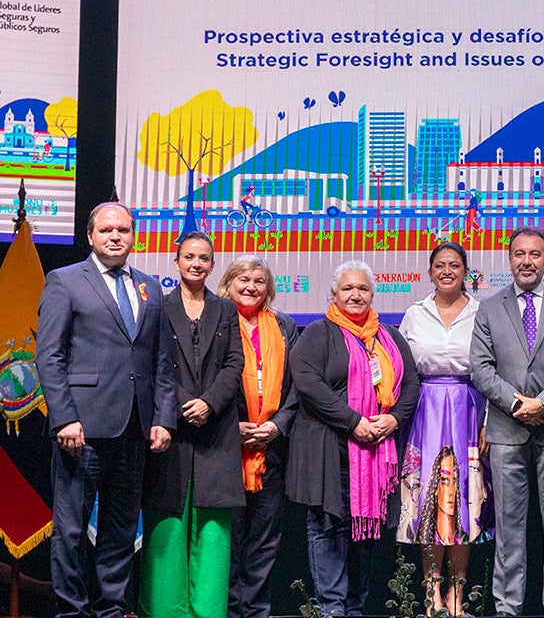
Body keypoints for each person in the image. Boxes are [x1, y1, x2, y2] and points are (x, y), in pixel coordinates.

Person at [36, 202, 175, 618]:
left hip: (135, 429)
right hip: (81, 429)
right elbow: (50, 356)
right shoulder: (64, 281)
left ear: (134, 236)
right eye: (107, 230)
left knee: (118, 529)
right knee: (72, 531)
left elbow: (160, 362)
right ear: (91, 236)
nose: (116, 237)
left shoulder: (151, 288)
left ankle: (110, 609)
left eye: (124, 230)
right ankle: (72, 611)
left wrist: (164, 418)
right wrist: (63, 417)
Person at [287, 260, 420, 614]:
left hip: (376, 454)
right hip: (328, 449)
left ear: (373, 294)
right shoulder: (318, 333)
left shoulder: (389, 337)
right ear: (333, 294)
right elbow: (308, 383)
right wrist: (353, 421)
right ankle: (332, 609)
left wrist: (392, 419)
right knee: (329, 529)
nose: (355, 295)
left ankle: (355, 608)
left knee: (366, 535)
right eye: (348, 289)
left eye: (362, 288)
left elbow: (410, 384)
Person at [470, 226, 544, 617]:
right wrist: (519, 404)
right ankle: (508, 607)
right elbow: (481, 370)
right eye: (519, 254)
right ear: (509, 259)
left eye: (535, 254)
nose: (527, 261)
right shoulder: (489, 307)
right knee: (508, 525)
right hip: (506, 429)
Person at [139, 231, 244, 617]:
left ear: (212, 264)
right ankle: (166, 610)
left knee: (214, 532)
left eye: (203, 258)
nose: (196, 263)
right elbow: (153, 365)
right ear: (176, 261)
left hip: (216, 431)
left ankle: (208, 611)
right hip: (170, 428)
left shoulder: (226, 309)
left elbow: (235, 364)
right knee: (168, 525)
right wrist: (185, 404)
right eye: (189, 257)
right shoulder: (158, 307)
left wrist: (210, 403)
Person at [397, 241, 494, 616]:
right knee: (428, 503)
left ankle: (456, 595)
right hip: (426, 413)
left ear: (466, 271)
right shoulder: (414, 314)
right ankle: (430, 595)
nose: (447, 271)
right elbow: (403, 372)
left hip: (471, 409)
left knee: (465, 503)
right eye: (440, 265)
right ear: (430, 271)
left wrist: (487, 422)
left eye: (455, 265)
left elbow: (493, 371)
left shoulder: (482, 313)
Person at [218, 255, 301, 618]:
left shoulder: (284, 326)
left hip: (272, 448)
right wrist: (230, 427)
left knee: (265, 541)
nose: (251, 287)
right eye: (243, 280)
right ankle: (230, 610)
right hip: (225, 448)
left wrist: (277, 425)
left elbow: (298, 386)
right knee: (229, 540)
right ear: (228, 284)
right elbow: (206, 381)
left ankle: (255, 611)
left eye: (259, 281)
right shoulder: (216, 321)